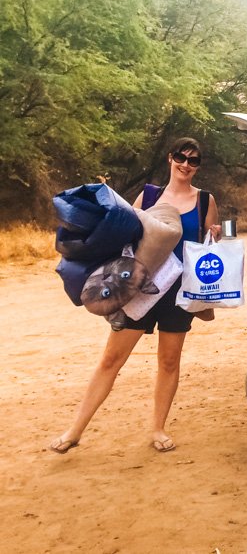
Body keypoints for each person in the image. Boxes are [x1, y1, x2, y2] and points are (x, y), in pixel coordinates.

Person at [49, 137, 220, 454]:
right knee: (111, 359)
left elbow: (211, 247)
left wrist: (217, 235)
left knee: (169, 362)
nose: (186, 164)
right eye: (181, 157)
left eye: (193, 160)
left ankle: (158, 428)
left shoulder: (205, 200)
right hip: (138, 287)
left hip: (179, 292)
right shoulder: (151, 194)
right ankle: (74, 430)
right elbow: (125, 232)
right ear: (170, 158)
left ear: (198, 166)